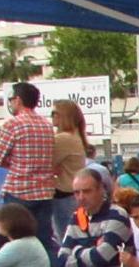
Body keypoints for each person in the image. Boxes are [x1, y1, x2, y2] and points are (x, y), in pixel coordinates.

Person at [0, 82, 57, 265]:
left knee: (10, 241)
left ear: (18, 100)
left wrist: (13, 162)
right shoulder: (46, 125)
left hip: (19, 191)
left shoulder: (13, 124)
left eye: (11, 100)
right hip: (44, 191)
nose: (11, 103)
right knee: (44, 241)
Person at [57, 168, 132, 267]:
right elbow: (61, 258)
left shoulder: (117, 215)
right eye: (76, 192)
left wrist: (76, 250)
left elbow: (100, 258)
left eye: (87, 191)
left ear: (101, 189)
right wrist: (92, 250)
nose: (81, 197)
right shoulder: (76, 217)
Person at [52, 100, 88, 243]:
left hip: (64, 194)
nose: (52, 116)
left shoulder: (63, 139)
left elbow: (43, 163)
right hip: (72, 194)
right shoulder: (75, 136)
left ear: (63, 116)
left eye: (54, 113)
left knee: (66, 240)